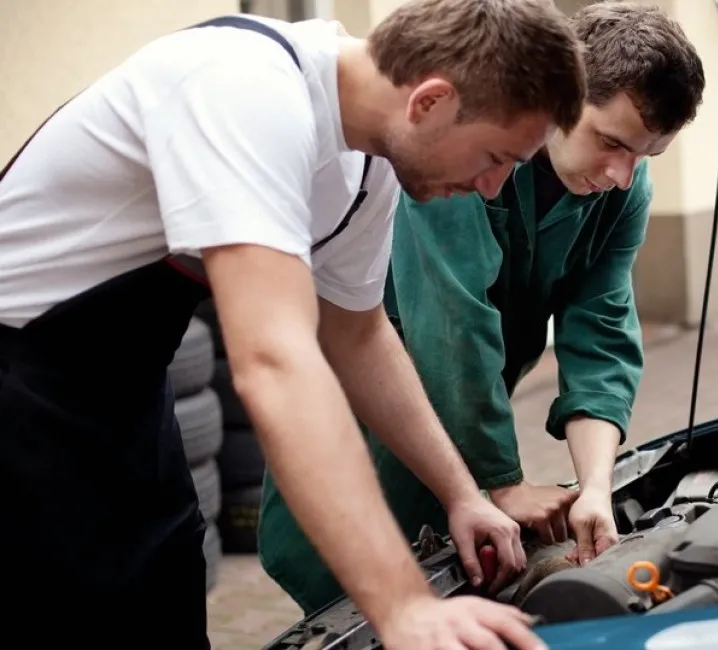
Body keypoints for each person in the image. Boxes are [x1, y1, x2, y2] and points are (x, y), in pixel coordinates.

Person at [0, 2, 586, 649]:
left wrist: (463, 494)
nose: (492, 187)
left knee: (162, 579)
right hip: (19, 382)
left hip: (123, 384)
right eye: (495, 156)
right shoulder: (244, 88)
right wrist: (402, 606)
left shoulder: (367, 163)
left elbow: (357, 336)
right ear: (431, 101)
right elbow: (276, 364)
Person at [258, 0, 707, 615]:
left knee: (453, 569)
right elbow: (453, 321)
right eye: (611, 142)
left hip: (466, 415)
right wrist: (504, 482)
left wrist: (596, 488)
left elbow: (600, 330)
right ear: (565, 97)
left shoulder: (620, 189)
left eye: (644, 157)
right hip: (370, 404)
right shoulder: (466, 150)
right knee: (349, 592)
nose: (623, 175)